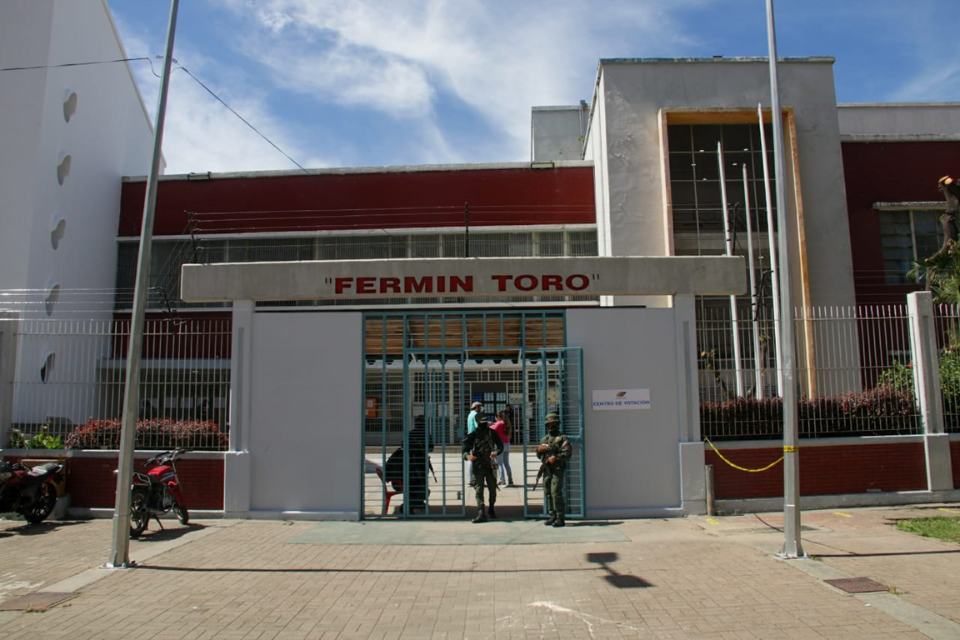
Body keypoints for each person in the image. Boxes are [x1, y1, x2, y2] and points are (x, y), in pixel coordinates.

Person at [462, 414, 503, 522]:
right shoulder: (473, 435)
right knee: (479, 489)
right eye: (481, 423)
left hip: (490, 465)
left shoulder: (492, 433)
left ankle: (491, 508)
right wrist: (468, 456)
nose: (484, 425)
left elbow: (500, 446)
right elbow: (465, 451)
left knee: (492, 489)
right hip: (478, 466)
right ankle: (481, 511)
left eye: (485, 423)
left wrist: (496, 452)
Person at [537, 412, 572, 527]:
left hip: (557, 468)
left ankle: (560, 517)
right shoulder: (545, 439)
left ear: (557, 424)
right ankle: (552, 514)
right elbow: (540, 456)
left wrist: (556, 458)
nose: (551, 426)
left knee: (555, 492)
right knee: (547, 492)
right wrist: (539, 451)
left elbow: (567, 453)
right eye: (549, 424)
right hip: (547, 469)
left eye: (553, 424)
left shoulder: (562, 438)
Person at [407, 415, 433, 513]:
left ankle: (414, 501)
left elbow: (403, 445)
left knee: (413, 483)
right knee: (422, 482)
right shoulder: (426, 434)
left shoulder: (411, 434)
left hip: (412, 463)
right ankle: (418, 501)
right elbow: (431, 448)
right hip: (420, 462)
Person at [490, 410, 514, 486]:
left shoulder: (498, 423)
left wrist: (491, 425)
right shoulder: (507, 424)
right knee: (506, 463)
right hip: (507, 443)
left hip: (500, 445)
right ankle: (510, 480)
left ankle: (502, 480)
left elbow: (492, 431)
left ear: (498, 417)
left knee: (499, 463)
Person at [465, 401, 484, 486]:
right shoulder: (476, 415)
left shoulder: (470, 414)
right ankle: (472, 479)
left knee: (472, 457)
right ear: (476, 407)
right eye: (480, 407)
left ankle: (471, 479)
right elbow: (478, 426)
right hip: (476, 438)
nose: (481, 409)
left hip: (470, 437)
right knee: (474, 458)